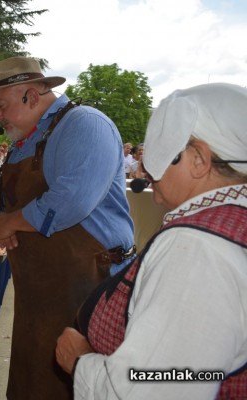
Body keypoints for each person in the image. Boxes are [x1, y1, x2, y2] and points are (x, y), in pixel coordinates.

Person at [56, 82, 247, 399]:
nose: (143, 170)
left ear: (199, 159)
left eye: (158, 156)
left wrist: (81, 363)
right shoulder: (228, 225)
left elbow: (156, 388)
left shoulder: (197, 249)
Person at [0, 56, 134, 399]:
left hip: (88, 289)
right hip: (37, 295)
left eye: (0, 106)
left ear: (31, 96)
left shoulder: (85, 125)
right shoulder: (23, 142)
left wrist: (13, 222)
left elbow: (71, 199)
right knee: (32, 384)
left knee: (74, 384)